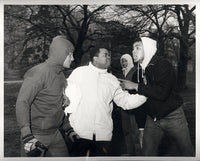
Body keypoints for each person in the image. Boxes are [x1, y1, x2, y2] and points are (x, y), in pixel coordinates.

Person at [64, 45, 147, 156]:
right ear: (95, 58)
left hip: (103, 136)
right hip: (79, 133)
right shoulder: (79, 73)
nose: (109, 57)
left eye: (109, 55)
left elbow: (125, 101)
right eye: (105, 55)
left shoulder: (112, 80)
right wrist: (68, 128)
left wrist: (146, 94)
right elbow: (65, 97)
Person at [119, 37, 194, 156]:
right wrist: (141, 127)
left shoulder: (162, 64)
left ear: (148, 49)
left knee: (186, 152)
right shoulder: (137, 73)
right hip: (152, 119)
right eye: (133, 48)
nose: (133, 51)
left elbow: (162, 93)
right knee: (147, 153)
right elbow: (139, 102)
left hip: (173, 116)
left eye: (138, 48)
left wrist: (136, 86)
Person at [16, 35, 79, 157]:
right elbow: (22, 102)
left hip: (55, 134)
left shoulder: (60, 76)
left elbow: (57, 105)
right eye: (70, 54)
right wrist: (27, 137)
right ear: (61, 54)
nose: (72, 58)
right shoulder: (39, 73)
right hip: (35, 135)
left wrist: (68, 129)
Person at [120, 54, 146, 155]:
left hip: (133, 104)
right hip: (124, 105)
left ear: (130, 61)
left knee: (135, 130)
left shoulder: (136, 71)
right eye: (122, 61)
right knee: (126, 130)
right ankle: (130, 152)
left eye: (125, 61)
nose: (124, 63)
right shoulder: (123, 72)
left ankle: (139, 153)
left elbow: (138, 88)